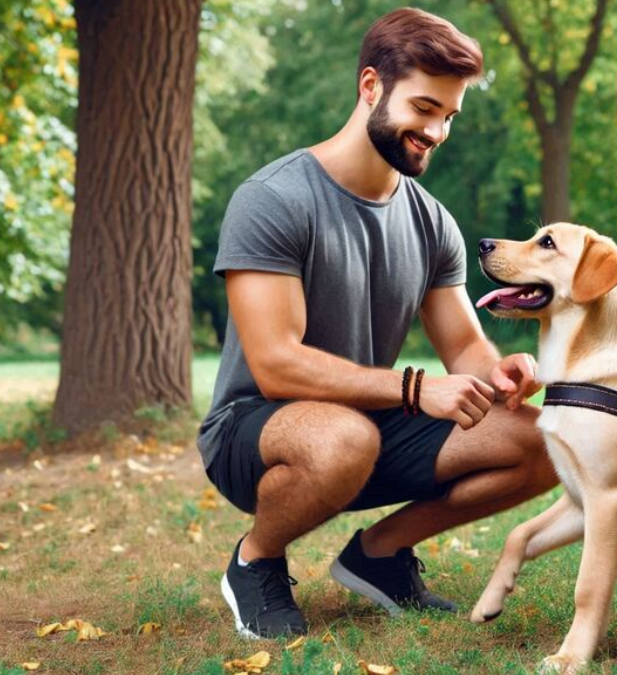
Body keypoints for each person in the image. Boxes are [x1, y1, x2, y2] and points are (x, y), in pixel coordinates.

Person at [197, 8, 557, 639]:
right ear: (371, 88)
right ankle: (255, 562)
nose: (437, 131)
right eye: (424, 108)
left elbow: (464, 345)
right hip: (256, 431)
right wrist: (418, 391)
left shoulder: (431, 220)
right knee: (344, 438)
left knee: (546, 439)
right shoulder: (275, 199)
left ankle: (380, 557)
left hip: (366, 423)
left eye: (449, 116)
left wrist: (497, 370)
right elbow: (276, 363)